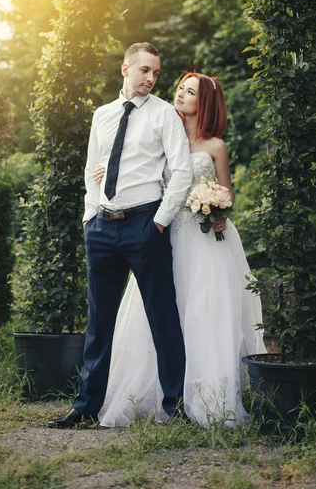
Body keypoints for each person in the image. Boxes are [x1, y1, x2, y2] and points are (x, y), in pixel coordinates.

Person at [94, 72, 266, 427]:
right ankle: (157, 393)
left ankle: (207, 396)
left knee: (203, 310)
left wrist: (219, 208)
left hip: (204, 240)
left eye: (191, 92)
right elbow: (134, 171)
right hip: (164, 233)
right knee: (160, 309)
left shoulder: (215, 145)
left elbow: (227, 193)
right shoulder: (159, 134)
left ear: (204, 103)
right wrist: (102, 173)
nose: (181, 95)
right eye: (181, 89)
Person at [48, 43, 193, 429]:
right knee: (98, 323)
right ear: (125, 68)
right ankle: (86, 407)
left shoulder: (164, 115)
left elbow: (181, 172)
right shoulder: (103, 115)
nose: (150, 78)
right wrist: (89, 218)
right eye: (144, 70)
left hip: (145, 224)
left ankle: (174, 407)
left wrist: (159, 223)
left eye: (156, 73)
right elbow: (91, 169)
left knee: (162, 318)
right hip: (102, 228)